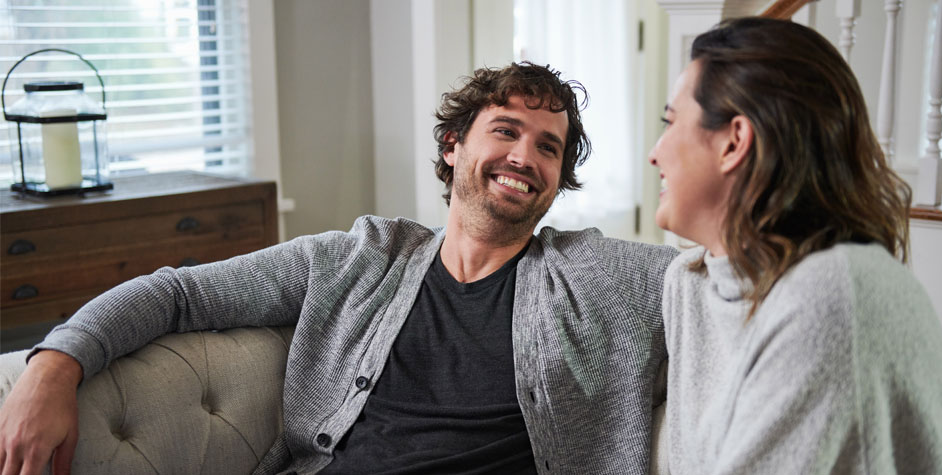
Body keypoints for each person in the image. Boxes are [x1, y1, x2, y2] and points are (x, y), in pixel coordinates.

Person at [0, 62, 678, 475]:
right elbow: (180, 293)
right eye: (506, 130)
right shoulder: (361, 257)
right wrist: (55, 364)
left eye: (549, 147)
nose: (526, 157)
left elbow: (730, 278)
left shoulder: (592, 273)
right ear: (453, 146)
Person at [650, 17, 942, 474]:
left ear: (734, 141)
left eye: (670, 121)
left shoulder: (832, 296)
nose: (656, 151)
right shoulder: (690, 284)